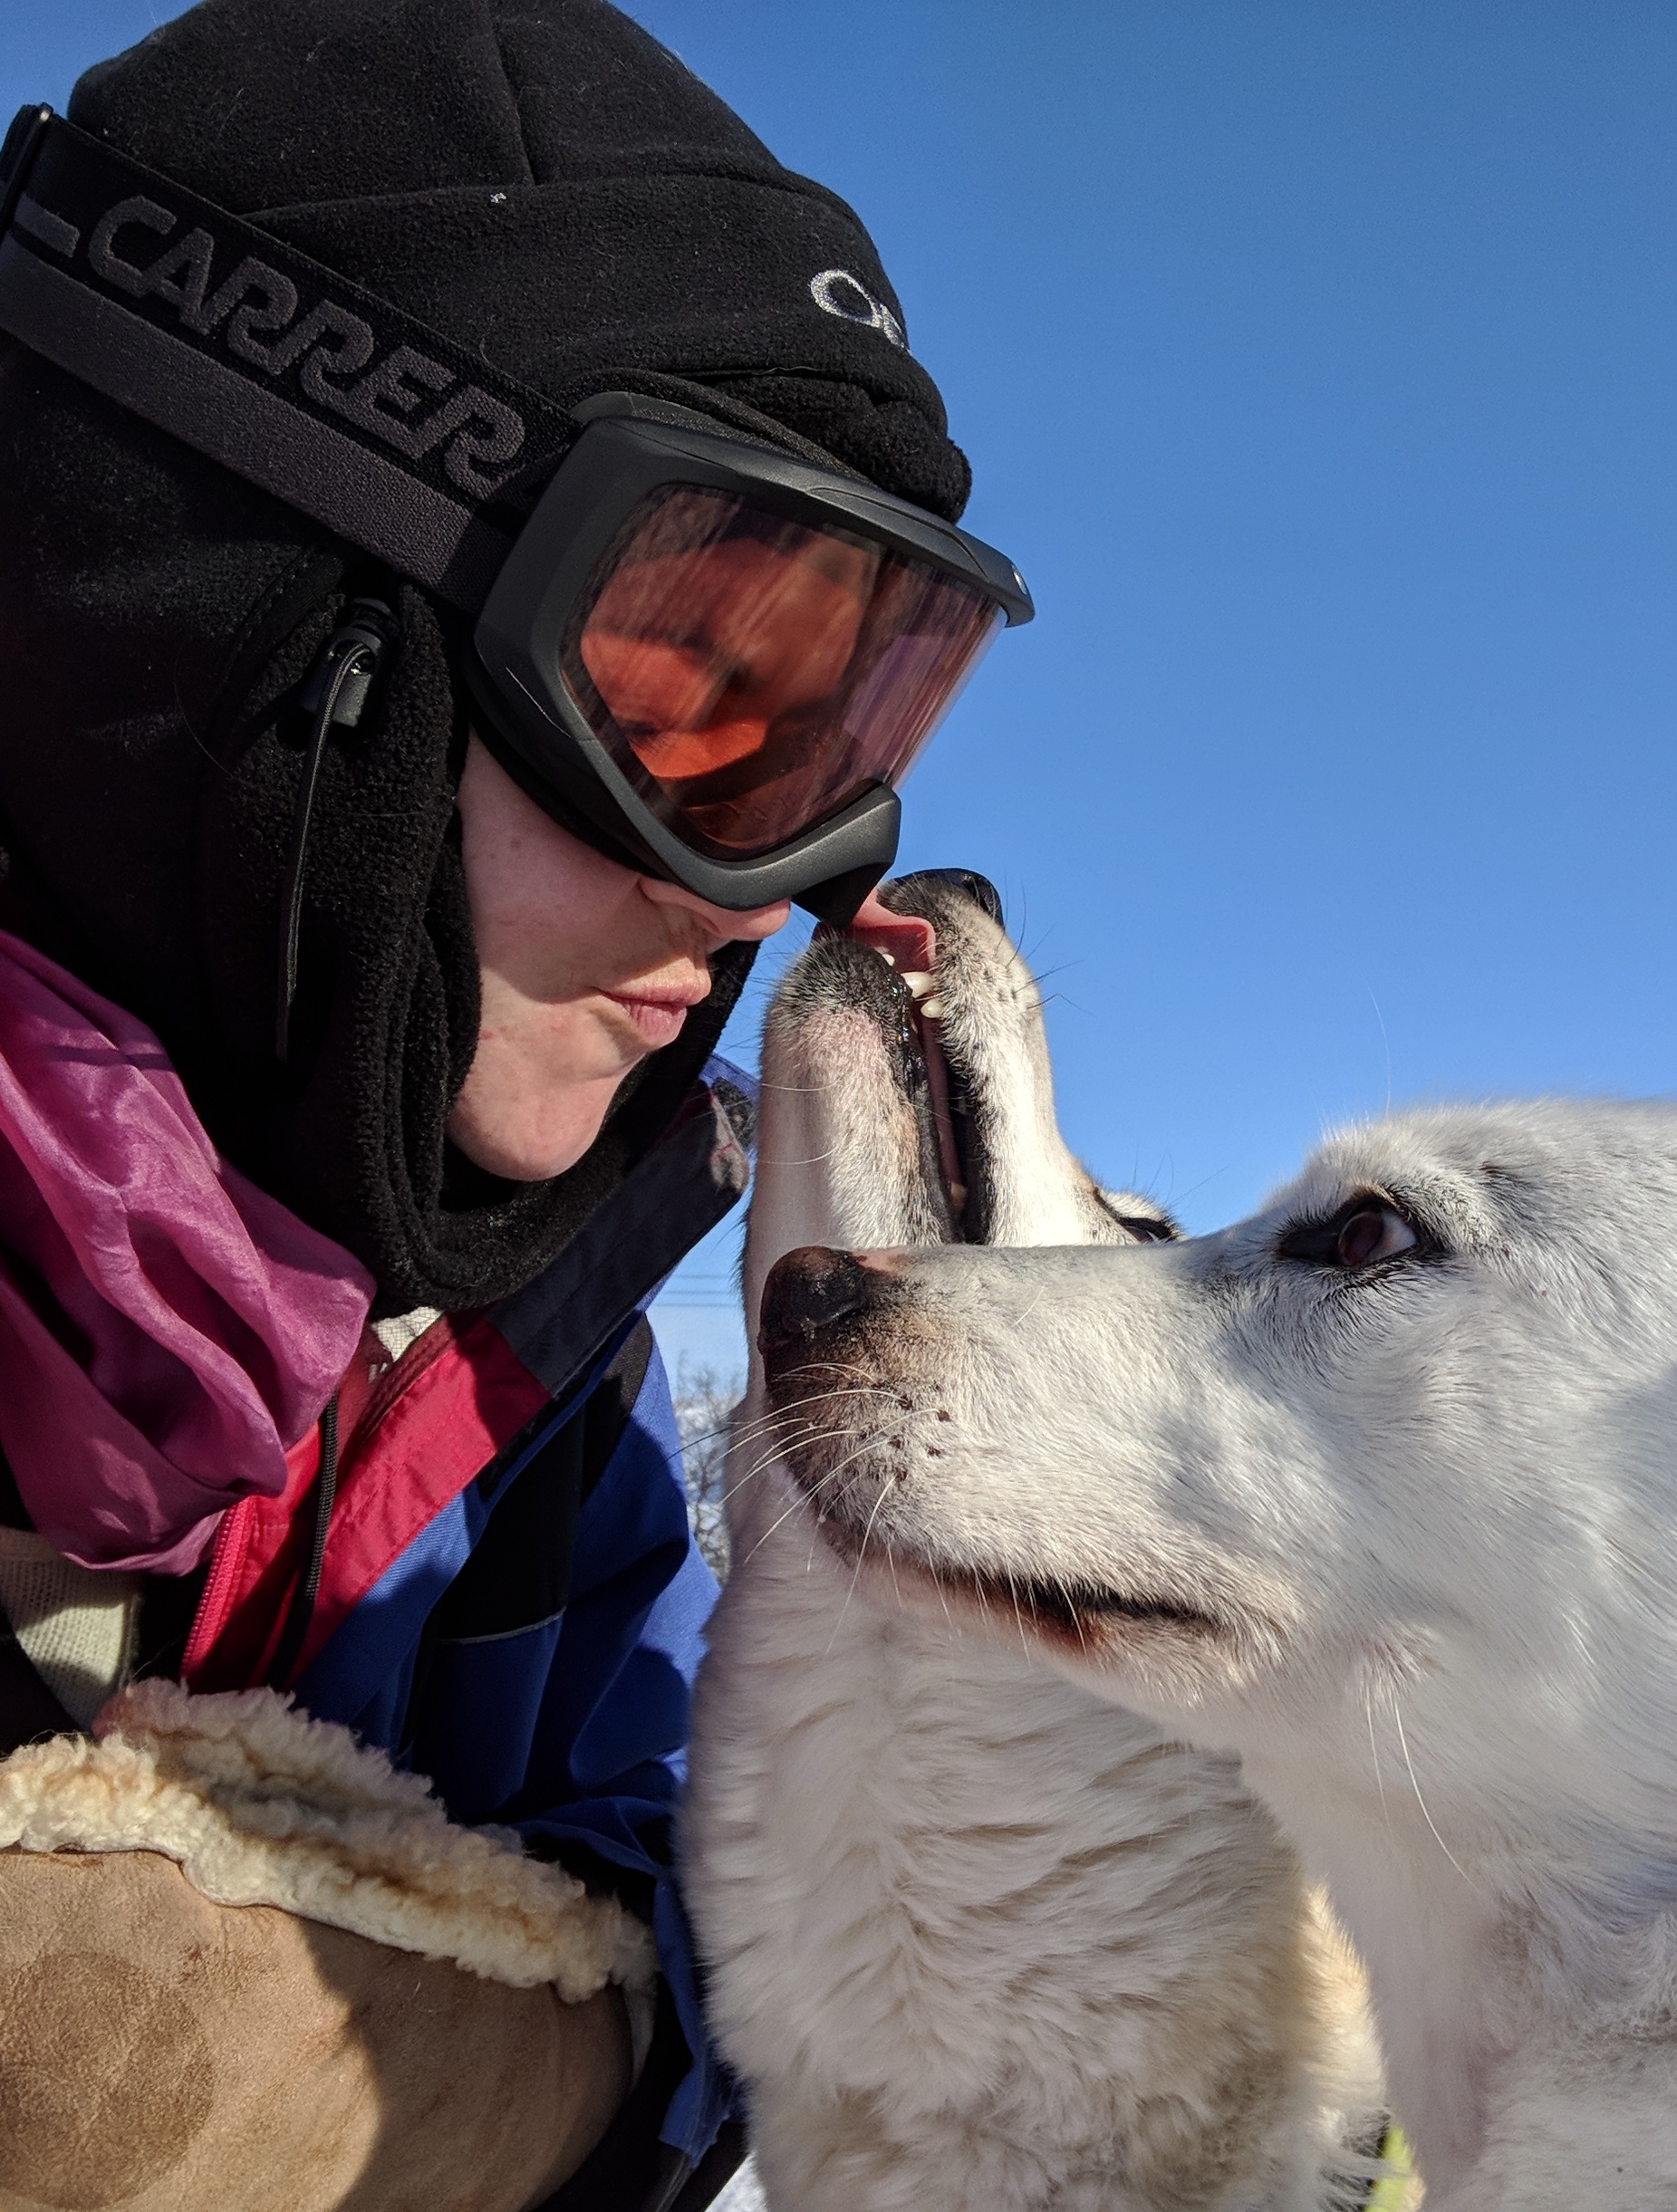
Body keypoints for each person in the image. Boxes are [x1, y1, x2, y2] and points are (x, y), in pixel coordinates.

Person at [0, 2, 1028, 2206]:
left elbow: (650, 1857)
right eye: (694, 708)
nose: (755, 902)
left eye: (850, 760)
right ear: (242, 612)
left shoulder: (544, 1394)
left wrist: (498, 2070)